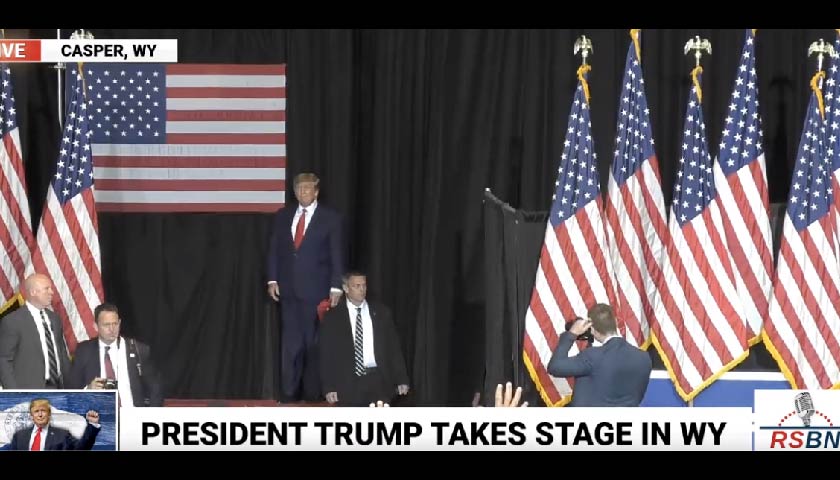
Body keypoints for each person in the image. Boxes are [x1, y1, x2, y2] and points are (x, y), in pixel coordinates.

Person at [267, 173, 345, 402]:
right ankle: (288, 396)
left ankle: (312, 397)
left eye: (308, 188)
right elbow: (274, 249)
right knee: (290, 346)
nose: (303, 192)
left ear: (316, 192)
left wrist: (336, 287)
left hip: (317, 292)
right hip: (288, 291)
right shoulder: (283, 215)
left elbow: (337, 253)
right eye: (299, 188)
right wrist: (272, 279)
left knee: (313, 346)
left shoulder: (331, 218)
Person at [320, 271, 409, 407]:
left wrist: (401, 379)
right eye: (357, 286)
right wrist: (329, 386)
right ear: (346, 288)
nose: (362, 290)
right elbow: (327, 354)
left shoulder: (381, 313)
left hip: (378, 381)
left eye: (364, 285)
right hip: (348, 384)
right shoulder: (333, 317)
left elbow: (393, 349)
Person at [547, 303, 652, 407]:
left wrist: (572, 334)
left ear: (592, 329)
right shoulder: (644, 358)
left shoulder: (592, 357)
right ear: (616, 322)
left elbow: (555, 367)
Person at [68, 303, 163, 407]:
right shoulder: (84, 351)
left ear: (120, 323)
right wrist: (88, 390)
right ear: (96, 326)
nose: (112, 329)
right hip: (100, 414)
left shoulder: (139, 350)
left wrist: (149, 415)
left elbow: (156, 389)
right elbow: (71, 390)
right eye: (106, 325)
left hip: (131, 413)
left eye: (115, 324)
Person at [0, 274, 72, 389]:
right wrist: (13, 392)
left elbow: (62, 354)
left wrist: (70, 387)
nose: (52, 292)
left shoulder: (54, 318)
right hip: (28, 390)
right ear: (33, 292)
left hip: (58, 388)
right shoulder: (13, 321)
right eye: (46, 288)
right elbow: (3, 360)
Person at [8, 398, 101, 450]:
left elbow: (81, 449)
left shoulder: (63, 435)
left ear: (49, 414)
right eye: (36, 411)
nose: (40, 414)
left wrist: (92, 425)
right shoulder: (19, 436)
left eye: (43, 411)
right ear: (32, 416)